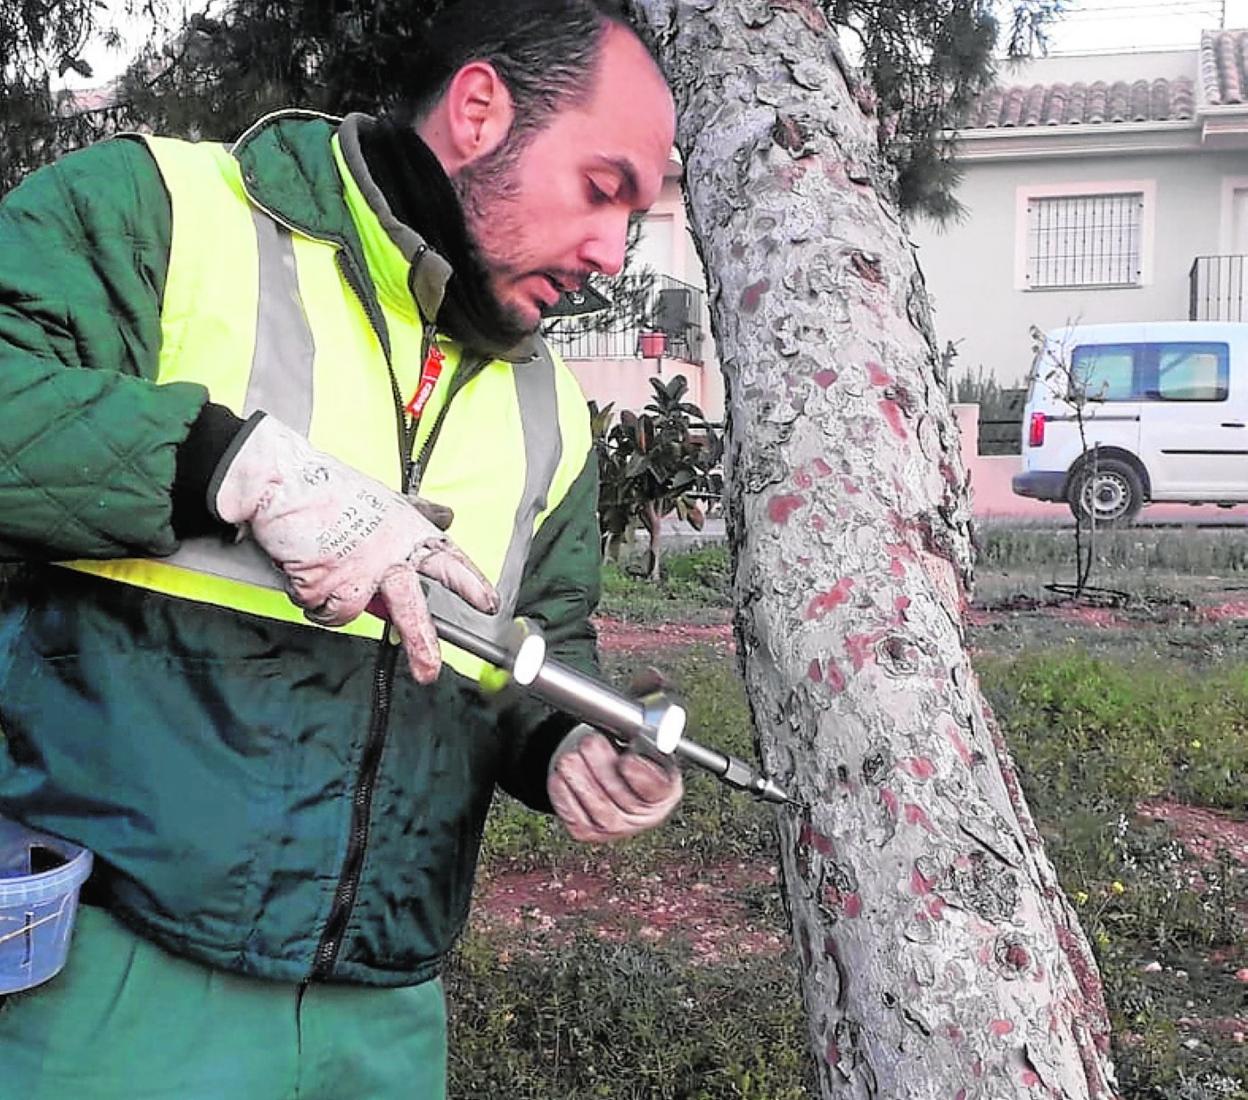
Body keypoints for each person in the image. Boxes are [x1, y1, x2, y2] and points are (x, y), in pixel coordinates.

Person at [0, 1, 682, 1095]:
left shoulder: (553, 401)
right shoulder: (165, 215)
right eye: (602, 189)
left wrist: (566, 741)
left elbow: (535, 642)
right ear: (477, 111)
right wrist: (224, 464)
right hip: (112, 981)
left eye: (632, 218)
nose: (611, 250)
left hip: (384, 1015)